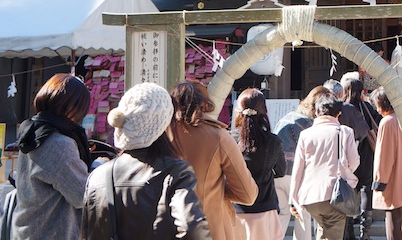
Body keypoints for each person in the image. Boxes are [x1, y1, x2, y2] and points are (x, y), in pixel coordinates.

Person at [81, 83, 211, 239]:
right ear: (163, 125)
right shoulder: (176, 173)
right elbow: (193, 230)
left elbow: (87, 234)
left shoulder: (98, 176)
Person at [170, 80, 259, 240]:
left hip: (165, 227)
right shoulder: (218, 136)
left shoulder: (161, 135)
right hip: (209, 227)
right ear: (204, 103)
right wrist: (217, 188)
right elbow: (247, 194)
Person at [12, 73, 91, 240]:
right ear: (75, 107)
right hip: (52, 233)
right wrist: (100, 167)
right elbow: (81, 196)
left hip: (27, 230)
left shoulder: (34, 130)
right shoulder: (58, 143)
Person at [290, 95, 359, 240]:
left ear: (316, 112)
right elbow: (354, 162)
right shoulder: (345, 132)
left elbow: (298, 168)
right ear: (338, 113)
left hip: (309, 197)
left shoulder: (305, 134)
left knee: (323, 231)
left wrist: (293, 199)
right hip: (334, 195)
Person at [274, 86, 335, 240]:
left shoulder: (288, 116)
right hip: (295, 175)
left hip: (276, 173)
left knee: (282, 214)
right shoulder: (309, 123)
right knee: (303, 217)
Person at [234, 88, 286, 240]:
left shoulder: (230, 139)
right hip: (265, 207)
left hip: (236, 208)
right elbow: (281, 171)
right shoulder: (273, 141)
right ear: (264, 110)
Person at [370, 87, 402, 240]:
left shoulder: (387, 122)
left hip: (393, 177)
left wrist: (380, 180)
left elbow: (385, 155)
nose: (376, 108)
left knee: (394, 220)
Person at [341, 72, 381, 240]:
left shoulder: (341, 109)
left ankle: (349, 230)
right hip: (366, 153)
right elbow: (379, 120)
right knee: (366, 188)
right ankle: (365, 231)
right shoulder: (367, 107)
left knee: (348, 189)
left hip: (346, 154)